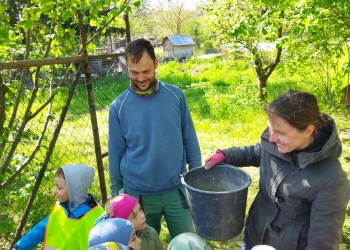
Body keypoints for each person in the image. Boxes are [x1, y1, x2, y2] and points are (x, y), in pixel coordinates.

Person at [204, 90, 350, 249]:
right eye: (270, 128)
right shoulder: (275, 141)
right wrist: (226, 155)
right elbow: (257, 152)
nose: (272, 137)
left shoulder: (332, 180)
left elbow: (322, 245)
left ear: (308, 130)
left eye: (280, 132)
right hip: (255, 235)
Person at [108, 38, 202, 239]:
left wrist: (196, 178)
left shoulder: (175, 96)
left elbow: (190, 140)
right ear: (126, 67)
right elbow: (115, 153)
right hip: (138, 196)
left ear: (156, 64)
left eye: (146, 71)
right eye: (134, 72)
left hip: (177, 190)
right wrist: (117, 193)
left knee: (190, 241)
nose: (141, 78)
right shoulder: (118, 106)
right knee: (143, 244)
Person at [12, 163, 105, 249]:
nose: (54, 191)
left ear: (75, 190)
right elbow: (42, 228)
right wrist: (20, 247)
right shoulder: (60, 207)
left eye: (59, 188)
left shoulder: (98, 218)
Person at [95, 193, 164, 250]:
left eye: (140, 210)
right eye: (134, 216)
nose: (142, 216)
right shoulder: (114, 246)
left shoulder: (151, 234)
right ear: (121, 224)